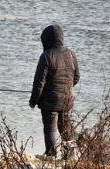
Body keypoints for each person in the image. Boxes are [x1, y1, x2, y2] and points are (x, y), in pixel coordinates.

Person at [29, 24, 80, 158]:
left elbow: (39, 84)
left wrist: (33, 101)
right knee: (66, 129)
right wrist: (66, 88)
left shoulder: (46, 56)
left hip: (49, 102)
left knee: (50, 129)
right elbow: (76, 78)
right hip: (67, 99)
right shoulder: (71, 54)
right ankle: (69, 156)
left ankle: (51, 155)